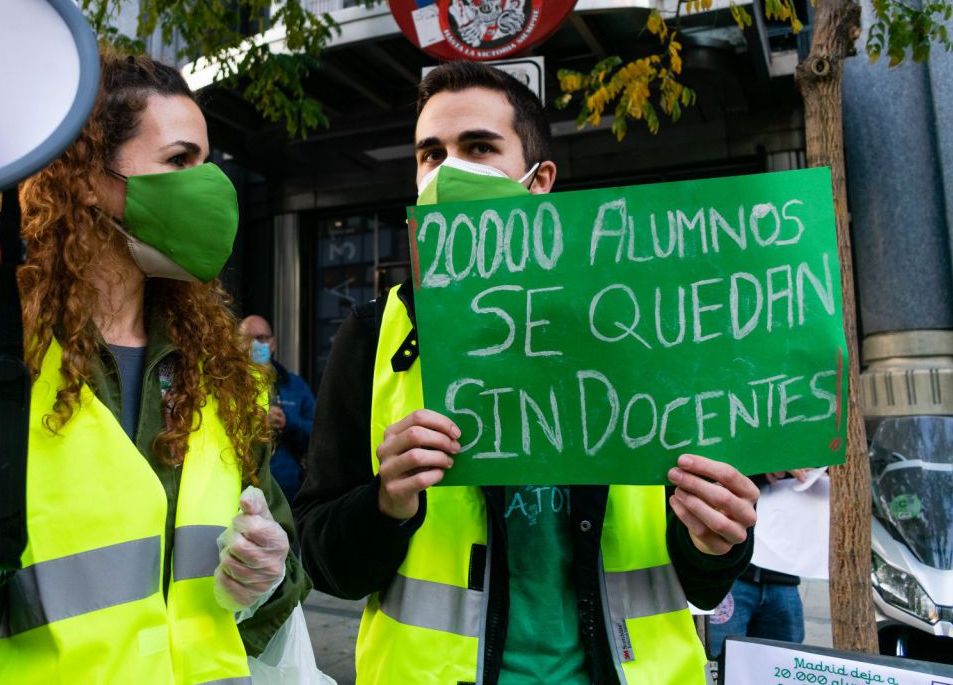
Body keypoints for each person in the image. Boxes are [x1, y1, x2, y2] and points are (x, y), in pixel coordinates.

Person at [0, 52, 310, 683]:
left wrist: (266, 582)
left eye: (208, 163)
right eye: (181, 160)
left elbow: (266, 598)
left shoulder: (216, 373)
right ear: (83, 177)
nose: (209, 185)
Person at [294, 61, 761, 685]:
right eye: (431, 154)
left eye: (479, 148)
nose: (449, 171)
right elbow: (327, 567)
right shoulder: (373, 335)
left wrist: (719, 540)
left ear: (538, 180)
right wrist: (386, 504)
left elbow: (704, 572)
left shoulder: (638, 327)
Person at [706, 470, 812, 660]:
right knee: (722, 664)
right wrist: (766, 470)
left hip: (784, 574)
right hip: (732, 574)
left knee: (784, 664)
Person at [241, 315, 316, 505]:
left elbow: (319, 433)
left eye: (261, 338)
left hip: (289, 493)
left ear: (272, 343)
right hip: (243, 491)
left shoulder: (294, 385)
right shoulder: (227, 385)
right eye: (248, 339)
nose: (255, 345)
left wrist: (288, 422)